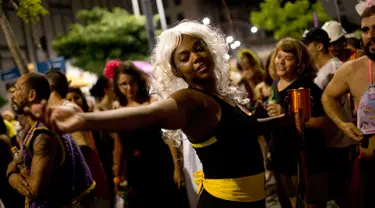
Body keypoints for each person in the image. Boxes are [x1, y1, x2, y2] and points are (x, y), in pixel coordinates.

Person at [28, 20, 293, 208]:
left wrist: (283, 120)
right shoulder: (189, 100)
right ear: (177, 71)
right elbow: (150, 113)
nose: (196, 57)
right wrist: (86, 119)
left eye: (198, 48)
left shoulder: (222, 95)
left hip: (253, 200)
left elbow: (247, 129)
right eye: (184, 57)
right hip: (226, 202)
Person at [7, 72, 95, 207]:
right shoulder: (29, 130)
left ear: (31, 95)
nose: (13, 95)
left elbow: (33, 190)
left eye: (17, 89)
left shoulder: (43, 135)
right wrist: (15, 170)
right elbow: (17, 162)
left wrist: (10, 176)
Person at [322, 5, 375, 208]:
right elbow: (328, 97)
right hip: (370, 170)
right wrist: (343, 125)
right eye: (366, 30)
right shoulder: (352, 70)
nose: (371, 35)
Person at [267, 38, 327, 208]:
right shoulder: (275, 84)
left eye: (289, 58)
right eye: (279, 56)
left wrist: (286, 115)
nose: (281, 62)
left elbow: (323, 122)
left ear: (300, 63)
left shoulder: (306, 88)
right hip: (281, 160)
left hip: (304, 161)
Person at [303, 28, 357, 208]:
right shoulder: (322, 70)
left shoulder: (332, 69)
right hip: (330, 139)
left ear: (319, 46)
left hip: (338, 139)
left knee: (340, 190)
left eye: (308, 45)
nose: (305, 48)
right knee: (334, 190)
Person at [45, 70, 112, 207]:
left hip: (89, 192)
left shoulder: (66, 109)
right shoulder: (60, 110)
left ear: (50, 87)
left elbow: (84, 148)